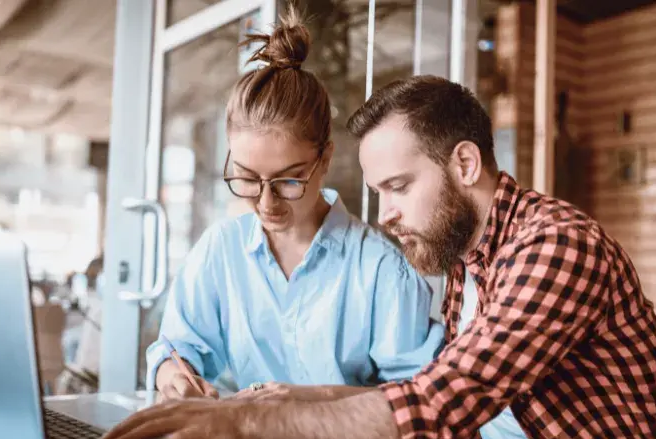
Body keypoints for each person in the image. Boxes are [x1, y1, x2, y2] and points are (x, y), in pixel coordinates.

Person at [101, 75, 656, 439]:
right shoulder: (471, 259)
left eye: (399, 187)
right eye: (378, 192)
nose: (385, 216)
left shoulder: (557, 247)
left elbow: (436, 410)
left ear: (464, 163)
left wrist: (241, 421)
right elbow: (426, 388)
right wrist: (300, 400)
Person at [144, 12, 444, 406]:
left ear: (325, 159)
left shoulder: (381, 270)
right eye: (247, 178)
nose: (266, 203)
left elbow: (418, 401)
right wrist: (173, 374)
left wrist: (309, 399)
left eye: (288, 180)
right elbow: (177, 348)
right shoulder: (221, 251)